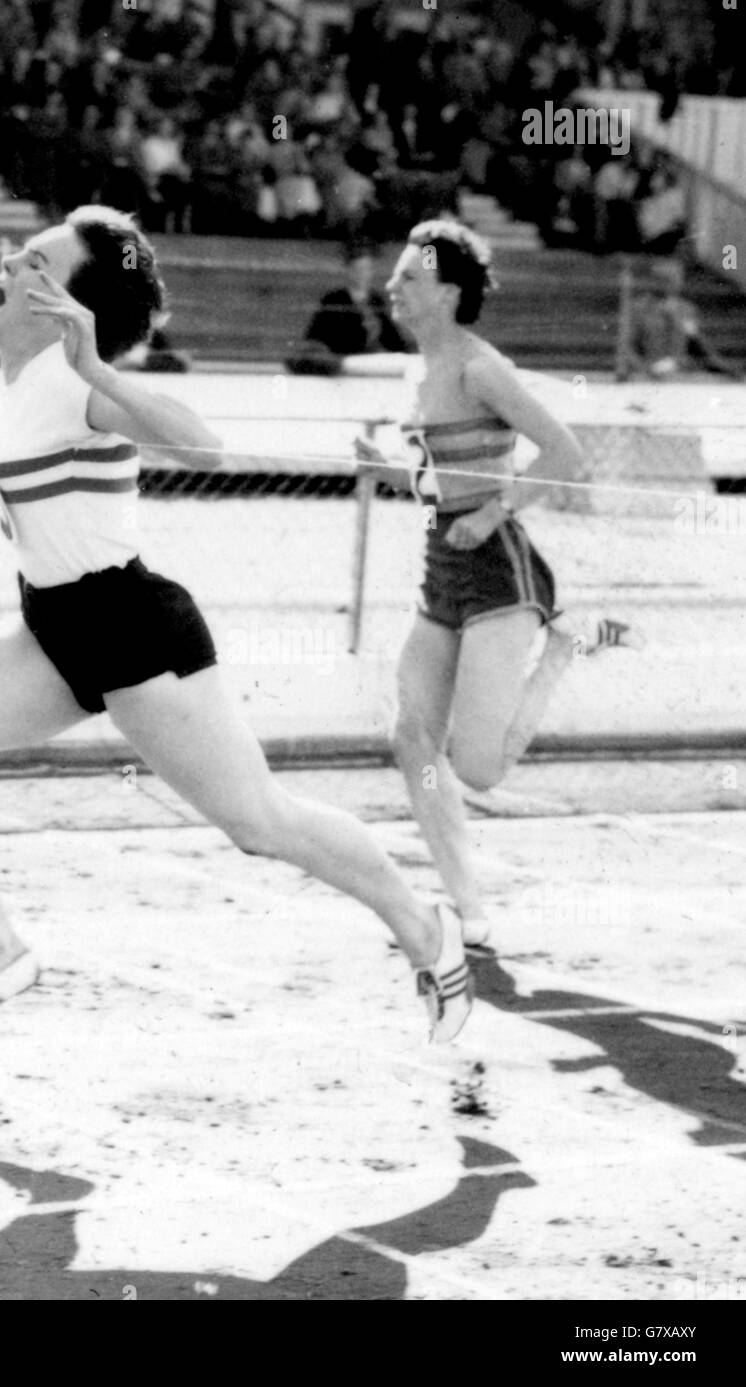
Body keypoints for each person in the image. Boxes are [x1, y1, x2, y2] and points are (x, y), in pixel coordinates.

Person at [0, 206, 471, 1048]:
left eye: (31, 262)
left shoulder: (79, 385)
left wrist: (98, 368)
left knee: (261, 824)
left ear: (63, 305)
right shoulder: (21, 387)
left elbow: (206, 447)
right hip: (53, 629)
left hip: (135, 633)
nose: (6, 265)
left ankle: (423, 925)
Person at [354, 220, 641, 947]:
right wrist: (382, 468)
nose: (393, 287)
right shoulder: (413, 370)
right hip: (441, 565)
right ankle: (468, 910)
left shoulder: (481, 368)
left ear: (448, 293)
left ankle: (564, 648)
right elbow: (433, 480)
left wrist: (493, 512)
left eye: (409, 278)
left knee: (478, 768)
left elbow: (566, 453)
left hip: (499, 569)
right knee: (412, 736)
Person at [286, 241, 407, 376]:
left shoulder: (375, 300)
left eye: (367, 269)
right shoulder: (334, 299)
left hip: (371, 359)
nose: (363, 274)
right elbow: (317, 336)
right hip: (345, 360)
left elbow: (391, 336)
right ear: (349, 271)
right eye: (358, 269)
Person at [619, 259, 742, 381]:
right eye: (665, 278)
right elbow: (628, 347)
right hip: (648, 373)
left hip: (680, 374)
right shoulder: (638, 308)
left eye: (676, 278)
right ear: (655, 280)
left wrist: (726, 370)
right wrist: (646, 370)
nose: (673, 282)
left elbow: (700, 348)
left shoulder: (686, 309)